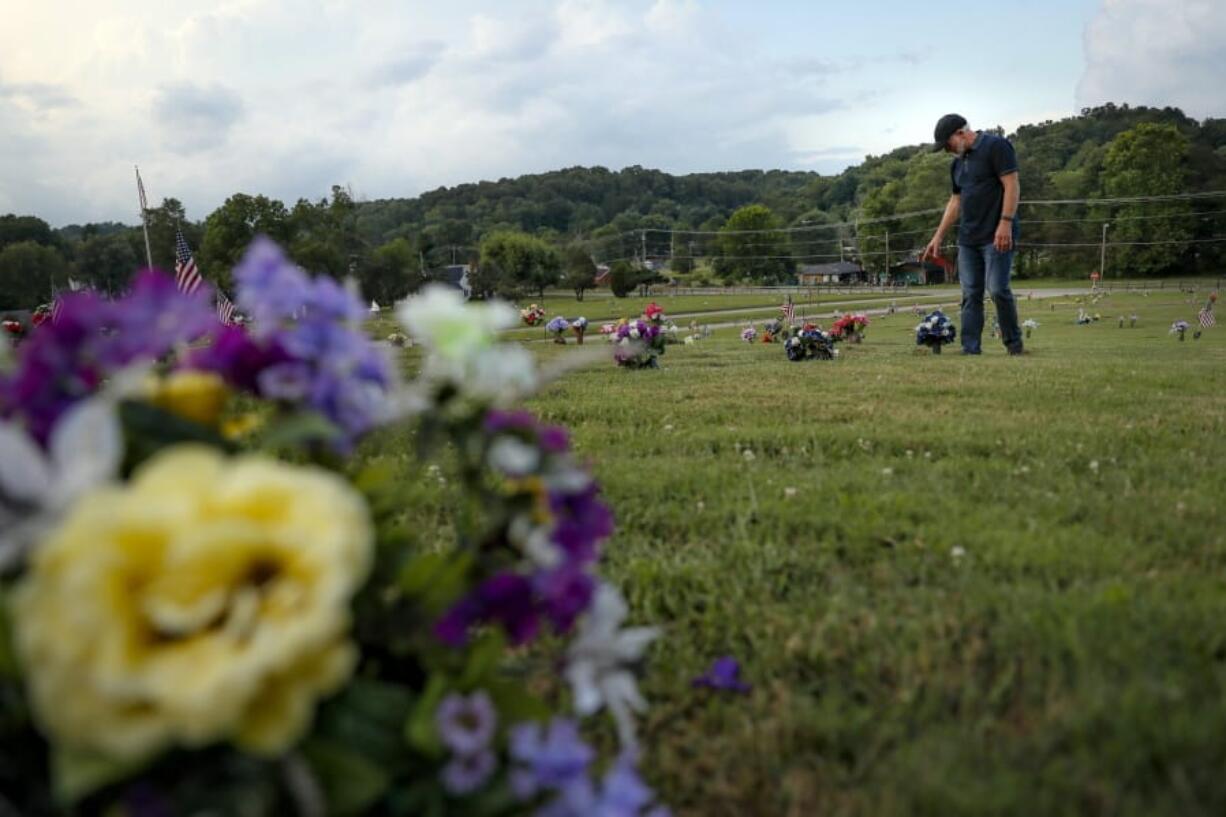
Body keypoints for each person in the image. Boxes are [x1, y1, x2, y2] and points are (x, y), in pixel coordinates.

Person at [921, 114, 1023, 355]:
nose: (948, 151)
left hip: (997, 234)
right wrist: (938, 236)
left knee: (998, 289)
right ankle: (970, 349)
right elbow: (956, 201)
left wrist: (1006, 222)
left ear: (960, 133)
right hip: (968, 239)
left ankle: (1014, 345)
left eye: (947, 145)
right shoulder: (957, 164)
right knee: (970, 294)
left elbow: (1012, 184)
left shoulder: (996, 147)